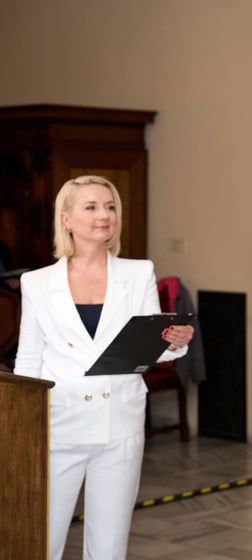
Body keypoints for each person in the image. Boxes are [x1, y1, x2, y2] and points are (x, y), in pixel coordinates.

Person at [14, 175, 194, 559]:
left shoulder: (138, 272)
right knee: (42, 540)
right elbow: (29, 357)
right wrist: (21, 428)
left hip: (120, 424)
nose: (104, 215)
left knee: (109, 547)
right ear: (66, 218)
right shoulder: (36, 283)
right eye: (91, 207)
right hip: (57, 426)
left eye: (110, 207)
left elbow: (146, 345)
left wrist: (173, 344)